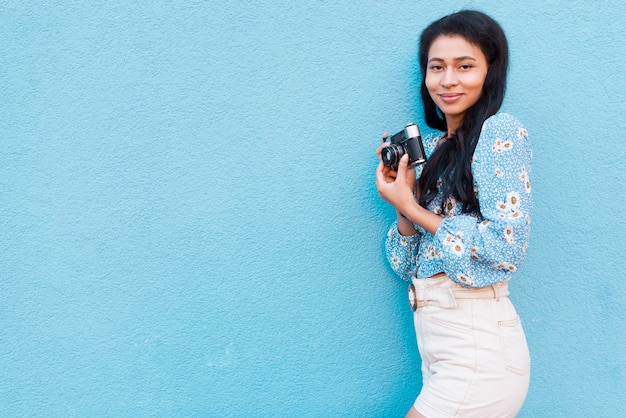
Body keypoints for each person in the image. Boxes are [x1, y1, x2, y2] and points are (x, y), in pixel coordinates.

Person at [375, 10, 532, 418]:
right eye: (436, 67)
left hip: (477, 347)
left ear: (490, 71)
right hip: (439, 348)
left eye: (465, 66)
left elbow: (505, 247)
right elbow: (410, 263)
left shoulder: (499, 131)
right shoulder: (432, 148)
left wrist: (412, 206)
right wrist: (402, 202)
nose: (448, 81)